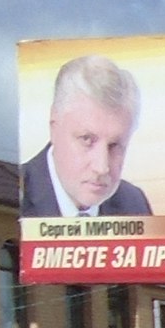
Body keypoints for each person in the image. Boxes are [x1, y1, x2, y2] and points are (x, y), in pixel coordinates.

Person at [23, 54, 154, 217]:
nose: (102, 168)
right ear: (53, 125)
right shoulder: (16, 196)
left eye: (114, 146)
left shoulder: (134, 204)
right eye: (87, 139)